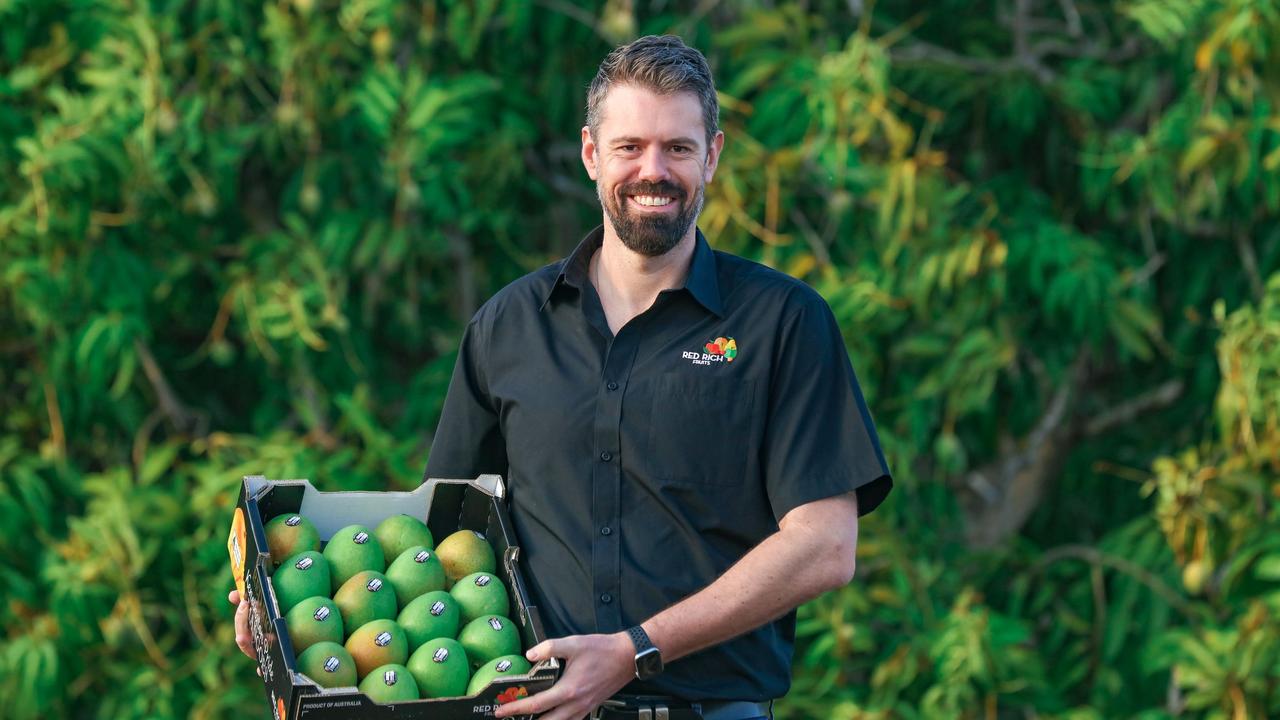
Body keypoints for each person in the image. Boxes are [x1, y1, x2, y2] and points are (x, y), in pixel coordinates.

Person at [233, 34, 891, 720]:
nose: (653, 171)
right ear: (590, 154)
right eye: (629, 147)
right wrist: (283, 612)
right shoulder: (509, 326)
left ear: (713, 156)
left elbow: (823, 547)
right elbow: (444, 536)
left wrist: (637, 649)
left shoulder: (783, 323)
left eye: (679, 148)